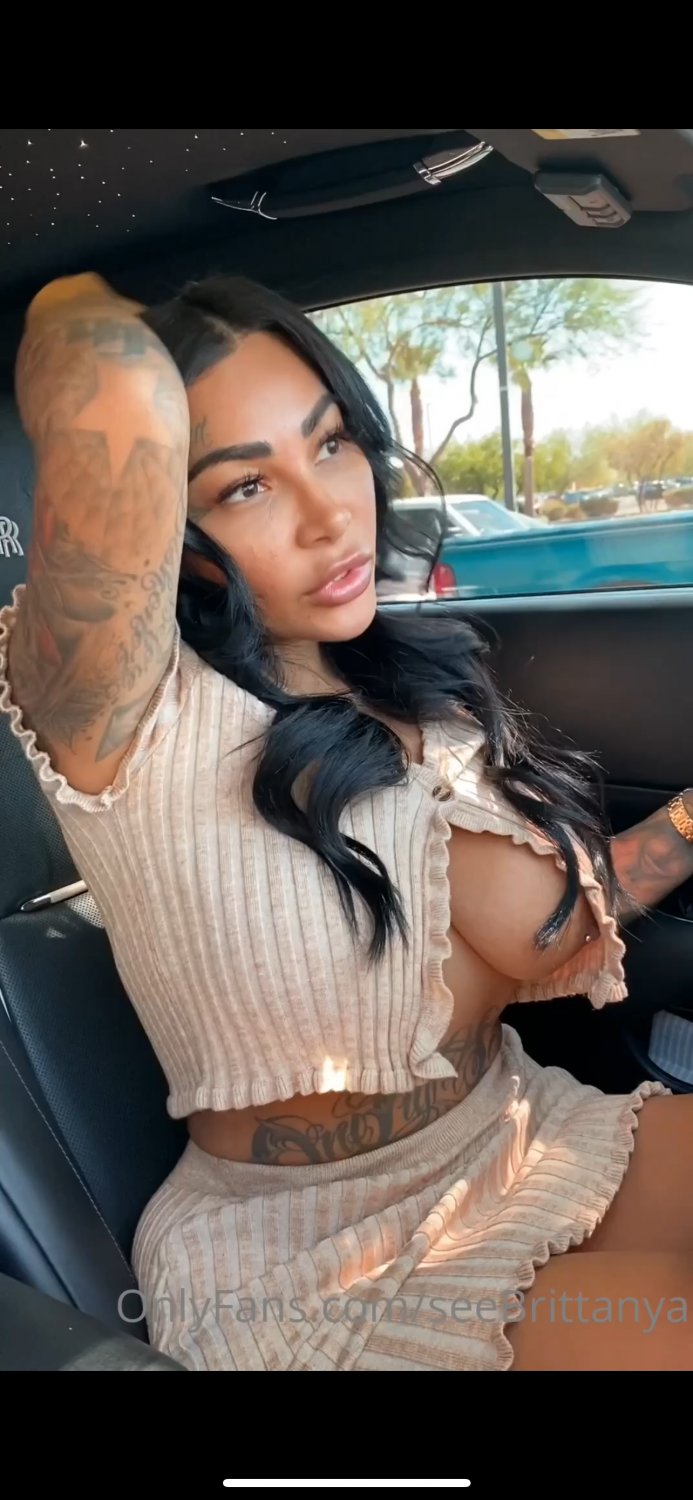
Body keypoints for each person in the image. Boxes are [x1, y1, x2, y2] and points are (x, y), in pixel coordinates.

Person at [1, 271, 693, 1373]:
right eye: (245, 486)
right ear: (171, 524)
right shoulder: (125, 714)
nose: (330, 515)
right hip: (306, 1260)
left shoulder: (413, 685)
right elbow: (112, 387)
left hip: (516, 1135)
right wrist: (73, 286)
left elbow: (550, 927)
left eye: (330, 444)